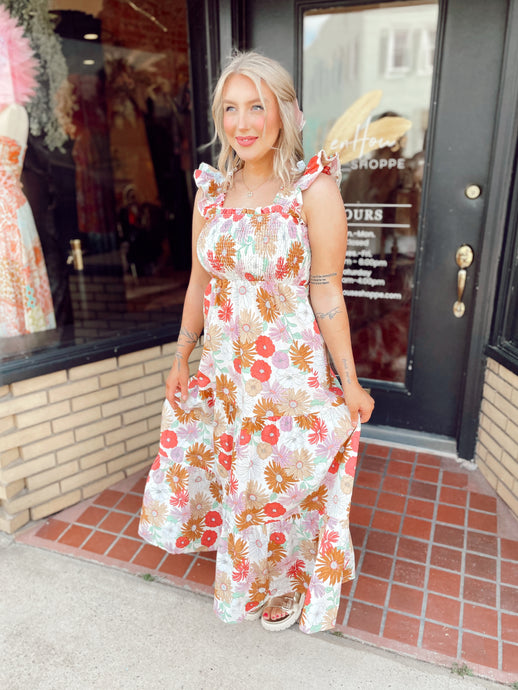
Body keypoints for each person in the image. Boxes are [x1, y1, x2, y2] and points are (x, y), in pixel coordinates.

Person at [139, 52, 374, 634]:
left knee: (282, 481)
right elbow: (199, 281)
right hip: (225, 371)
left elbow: (326, 293)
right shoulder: (211, 193)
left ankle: (291, 582)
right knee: (241, 480)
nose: (243, 123)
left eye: (257, 107)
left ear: (285, 114)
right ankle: (254, 578)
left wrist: (349, 382)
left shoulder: (313, 191)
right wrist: (180, 357)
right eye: (231, 109)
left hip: (287, 376)